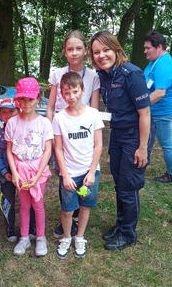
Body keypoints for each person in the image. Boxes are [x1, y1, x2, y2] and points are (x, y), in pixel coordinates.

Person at [89, 31, 155, 251]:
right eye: (96, 52)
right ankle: (121, 224)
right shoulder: (104, 75)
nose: (101, 55)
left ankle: (128, 234)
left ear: (116, 49)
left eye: (106, 50)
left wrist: (142, 148)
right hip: (118, 133)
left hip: (135, 136)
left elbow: (145, 114)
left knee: (128, 185)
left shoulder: (131, 74)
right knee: (119, 183)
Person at [46, 29, 100, 239]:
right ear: (64, 52)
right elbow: (50, 107)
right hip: (61, 129)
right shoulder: (58, 74)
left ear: (86, 50)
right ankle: (67, 214)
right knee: (64, 173)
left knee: (83, 173)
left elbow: (94, 107)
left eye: (78, 48)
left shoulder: (93, 76)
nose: (74, 52)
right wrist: (49, 135)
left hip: (83, 129)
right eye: (70, 49)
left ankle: (77, 217)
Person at [52, 72, 104, 259]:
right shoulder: (59, 118)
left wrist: (91, 173)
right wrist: (65, 175)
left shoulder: (93, 114)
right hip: (69, 174)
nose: (71, 96)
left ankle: (79, 236)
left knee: (85, 206)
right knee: (67, 209)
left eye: (75, 91)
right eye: (66, 93)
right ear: (61, 94)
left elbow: (98, 145)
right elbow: (58, 148)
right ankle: (67, 237)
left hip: (89, 174)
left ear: (83, 90)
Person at [5, 77, 53, 257]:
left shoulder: (44, 123)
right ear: (17, 100)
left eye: (30, 99)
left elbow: (48, 150)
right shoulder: (12, 123)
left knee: (38, 204)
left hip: (37, 171)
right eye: (22, 99)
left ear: (38, 99)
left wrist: (38, 174)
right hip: (20, 171)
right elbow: (9, 151)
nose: (26, 103)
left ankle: (41, 237)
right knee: (24, 205)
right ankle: (24, 237)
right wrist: (15, 173)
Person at [0, 98, 36, 243]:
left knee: (30, 200)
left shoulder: (26, 131)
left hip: (26, 174)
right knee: (8, 200)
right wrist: (5, 172)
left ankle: (31, 226)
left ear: (19, 111)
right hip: (8, 176)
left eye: (11, 111)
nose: (7, 115)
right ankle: (10, 226)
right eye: (3, 112)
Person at [144, 30, 172, 184]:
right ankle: (142, 162)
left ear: (159, 47)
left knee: (166, 144)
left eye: (147, 48)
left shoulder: (164, 65)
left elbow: (159, 92)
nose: (145, 51)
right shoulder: (156, 61)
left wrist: (140, 105)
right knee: (146, 138)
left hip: (162, 112)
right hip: (154, 111)